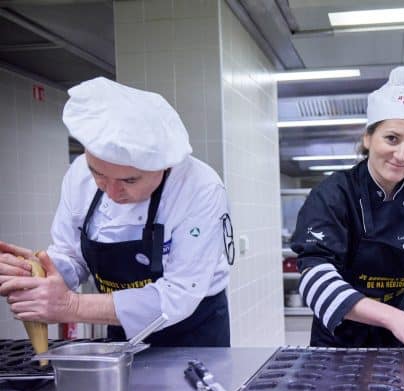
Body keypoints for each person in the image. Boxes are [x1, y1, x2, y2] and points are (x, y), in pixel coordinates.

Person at [0, 77, 233, 347]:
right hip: (121, 328)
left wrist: (72, 306)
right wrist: (40, 272)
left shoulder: (199, 188)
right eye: (97, 173)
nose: (110, 192)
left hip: (193, 333)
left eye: (129, 180)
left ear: (165, 166)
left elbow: (178, 296)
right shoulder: (78, 176)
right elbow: (72, 255)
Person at [291, 67, 404, 364]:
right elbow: (314, 278)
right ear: (368, 138)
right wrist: (395, 318)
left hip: (396, 339)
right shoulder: (334, 194)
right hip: (337, 338)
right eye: (392, 139)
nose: (401, 154)